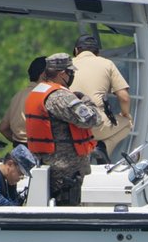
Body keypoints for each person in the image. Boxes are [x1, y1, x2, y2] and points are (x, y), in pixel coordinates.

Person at [22, 53, 101, 206]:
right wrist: (85, 101)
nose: (72, 76)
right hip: (66, 170)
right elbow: (92, 119)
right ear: (62, 73)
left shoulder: (39, 91)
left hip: (47, 164)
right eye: (71, 72)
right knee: (68, 209)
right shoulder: (60, 96)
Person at [70, 32, 133, 159]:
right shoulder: (107, 64)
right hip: (95, 125)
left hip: (69, 128)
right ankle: (102, 149)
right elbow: (124, 97)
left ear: (76, 50)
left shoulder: (66, 65)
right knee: (128, 124)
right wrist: (125, 115)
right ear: (97, 52)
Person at [0, 55, 48, 146]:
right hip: (39, 150)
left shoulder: (17, 96)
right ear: (44, 74)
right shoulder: (45, 95)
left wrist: (19, 145)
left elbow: (3, 128)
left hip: (19, 151)